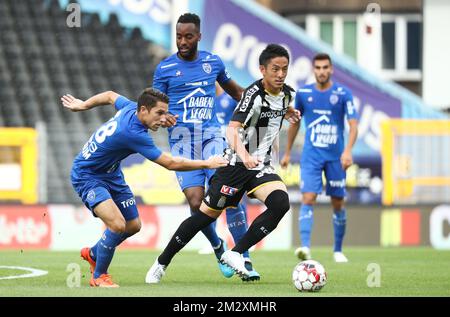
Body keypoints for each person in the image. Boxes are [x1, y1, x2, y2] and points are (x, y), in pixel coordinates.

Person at [145, 44, 301, 283]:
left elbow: (279, 108)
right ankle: (162, 262)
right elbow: (231, 130)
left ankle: (236, 253)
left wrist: (289, 112)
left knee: (281, 203)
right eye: (275, 69)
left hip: (260, 166)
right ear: (262, 70)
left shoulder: (288, 94)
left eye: (284, 69)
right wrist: (245, 156)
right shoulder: (252, 95)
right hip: (236, 165)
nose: (280, 74)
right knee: (202, 216)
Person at [61, 88, 228, 287]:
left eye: (165, 112)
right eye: (159, 113)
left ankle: (94, 253)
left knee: (133, 225)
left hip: (111, 174)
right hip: (87, 176)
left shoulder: (130, 107)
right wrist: (206, 163)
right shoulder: (133, 134)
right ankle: (99, 276)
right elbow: (170, 163)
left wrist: (84, 104)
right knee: (116, 224)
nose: (163, 118)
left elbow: (109, 95)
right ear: (143, 110)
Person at [152, 13, 257, 280]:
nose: (182, 41)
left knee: (231, 194)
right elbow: (155, 109)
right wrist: (163, 117)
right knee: (196, 201)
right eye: (178, 36)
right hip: (183, 143)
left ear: (198, 36)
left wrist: (262, 103)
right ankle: (218, 246)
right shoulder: (164, 69)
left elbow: (235, 92)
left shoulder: (213, 62)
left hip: (212, 137)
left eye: (188, 36)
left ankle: (244, 258)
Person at [280, 53, 358, 263]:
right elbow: (295, 122)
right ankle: (305, 247)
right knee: (308, 197)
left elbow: (353, 125)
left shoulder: (343, 94)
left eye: (325, 68)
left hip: (335, 157)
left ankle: (338, 250)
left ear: (331, 69)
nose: (322, 71)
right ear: (313, 70)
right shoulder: (304, 93)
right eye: (318, 68)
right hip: (312, 156)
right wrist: (287, 152)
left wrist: (348, 151)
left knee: (338, 202)